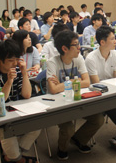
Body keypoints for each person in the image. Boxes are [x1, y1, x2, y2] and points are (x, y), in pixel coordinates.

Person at [46, 30, 104, 160]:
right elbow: (54, 90)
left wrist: (65, 83)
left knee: (98, 119)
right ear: (64, 48)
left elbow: (86, 82)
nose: (79, 48)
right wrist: (74, 81)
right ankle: (62, 148)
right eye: (76, 45)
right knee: (68, 128)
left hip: (77, 100)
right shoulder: (52, 62)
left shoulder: (78, 58)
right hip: (58, 104)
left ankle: (78, 140)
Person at [0, 39, 40, 163]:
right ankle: (18, 159)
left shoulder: (17, 69)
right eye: (10, 60)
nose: (15, 64)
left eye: (17, 59)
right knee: (6, 131)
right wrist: (9, 81)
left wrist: (24, 73)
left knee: (37, 124)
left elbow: (27, 94)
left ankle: (12, 156)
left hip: (13, 111)